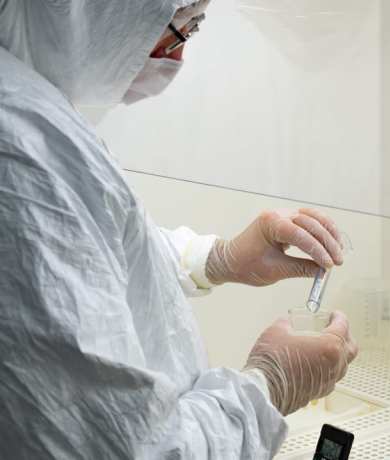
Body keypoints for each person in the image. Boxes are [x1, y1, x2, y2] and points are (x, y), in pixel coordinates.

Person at [0, 0, 357, 458]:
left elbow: (85, 262)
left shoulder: (31, 110)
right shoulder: (23, 148)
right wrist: (268, 386)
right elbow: (127, 449)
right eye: (178, 24)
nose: (176, 56)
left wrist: (217, 259)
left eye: (195, 26)